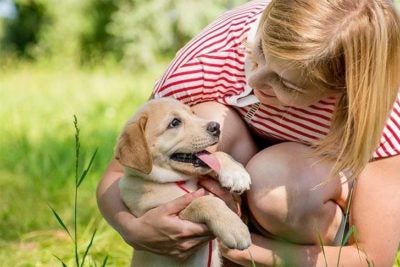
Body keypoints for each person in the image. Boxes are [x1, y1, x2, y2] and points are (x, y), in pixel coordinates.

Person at [97, 0, 400, 266]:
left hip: (296, 204)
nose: (253, 79)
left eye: (287, 83)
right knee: (206, 118)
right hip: (228, 197)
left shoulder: (379, 109)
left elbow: (373, 258)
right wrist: (133, 230)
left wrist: (237, 250)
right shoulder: (213, 53)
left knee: (279, 186)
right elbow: (121, 173)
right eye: (261, 50)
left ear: (339, 88)